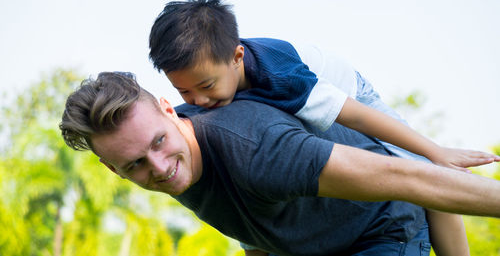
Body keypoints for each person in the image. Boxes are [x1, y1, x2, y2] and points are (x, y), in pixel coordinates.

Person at [147, 0, 499, 256]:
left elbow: (356, 115)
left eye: (206, 86)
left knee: (420, 167)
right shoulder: (217, 93)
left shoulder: (282, 77)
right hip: (299, 114)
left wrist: (435, 151)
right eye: (185, 93)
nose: (200, 101)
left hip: (347, 95)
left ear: (238, 57)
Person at [60, 72, 500, 256]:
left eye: (159, 142)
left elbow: (408, 176)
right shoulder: (171, 163)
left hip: (381, 229)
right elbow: (254, 225)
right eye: (135, 164)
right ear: (111, 168)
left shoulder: (255, 149)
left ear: (169, 110)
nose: (158, 167)